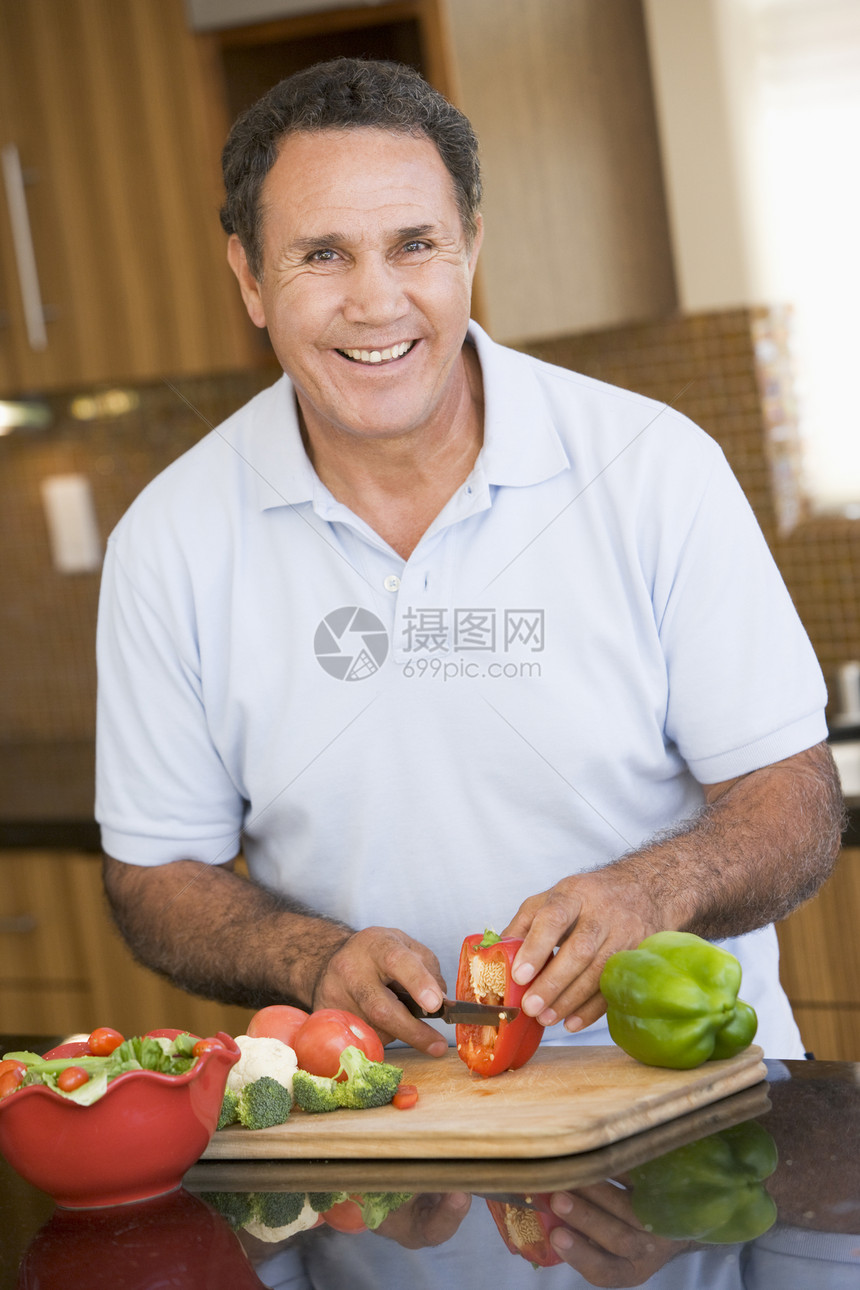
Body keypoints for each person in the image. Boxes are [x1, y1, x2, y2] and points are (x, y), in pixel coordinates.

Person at [96, 57, 843, 1061]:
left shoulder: (652, 467)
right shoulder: (169, 538)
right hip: (381, 1138)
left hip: (683, 1106)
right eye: (321, 255)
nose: (376, 302)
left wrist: (649, 889)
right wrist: (313, 956)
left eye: (414, 245)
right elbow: (156, 872)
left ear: (470, 247)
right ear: (248, 278)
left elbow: (791, 798)